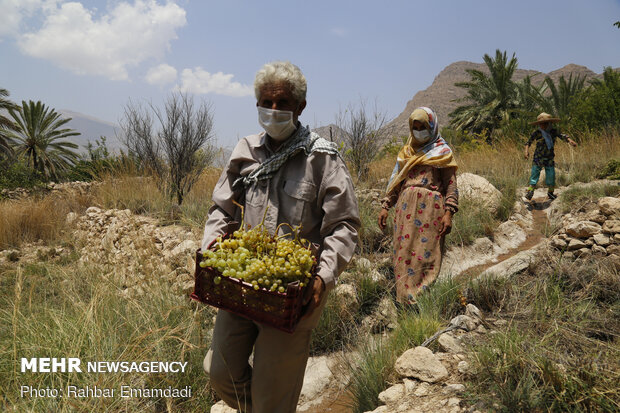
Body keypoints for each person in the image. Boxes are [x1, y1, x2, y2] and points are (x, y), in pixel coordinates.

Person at [200, 61, 360, 413]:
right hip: (243, 286)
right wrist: (211, 245)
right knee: (219, 372)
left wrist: (323, 277)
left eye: (282, 103)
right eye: (266, 103)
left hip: (293, 296)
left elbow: (344, 225)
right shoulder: (246, 152)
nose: (273, 111)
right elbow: (222, 209)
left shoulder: (322, 159)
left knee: (272, 397)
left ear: (300, 107)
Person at [378, 107, 458, 305]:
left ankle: (422, 302)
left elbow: (451, 184)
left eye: (423, 126)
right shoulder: (406, 153)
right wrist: (386, 206)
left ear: (432, 127)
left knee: (426, 254)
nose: (419, 130)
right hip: (404, 212)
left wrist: (449, 213)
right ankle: (404, 301)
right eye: (415, 127)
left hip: (431, 212)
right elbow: (396, 183)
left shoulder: (442, 152)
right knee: (403, 254)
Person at [523, 112, 578, 201]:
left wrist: (570, 141)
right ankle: (530, 192)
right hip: (538, 157)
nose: (543, 125)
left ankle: (550, 193)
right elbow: (528, 142)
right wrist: (526, 152)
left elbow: (562, 136)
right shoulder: (537, 133)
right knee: (534, 174)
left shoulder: (553, 131)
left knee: (551, 175)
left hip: (549, 157)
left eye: (545, 123)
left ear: (549, 123)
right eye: (541, 124)